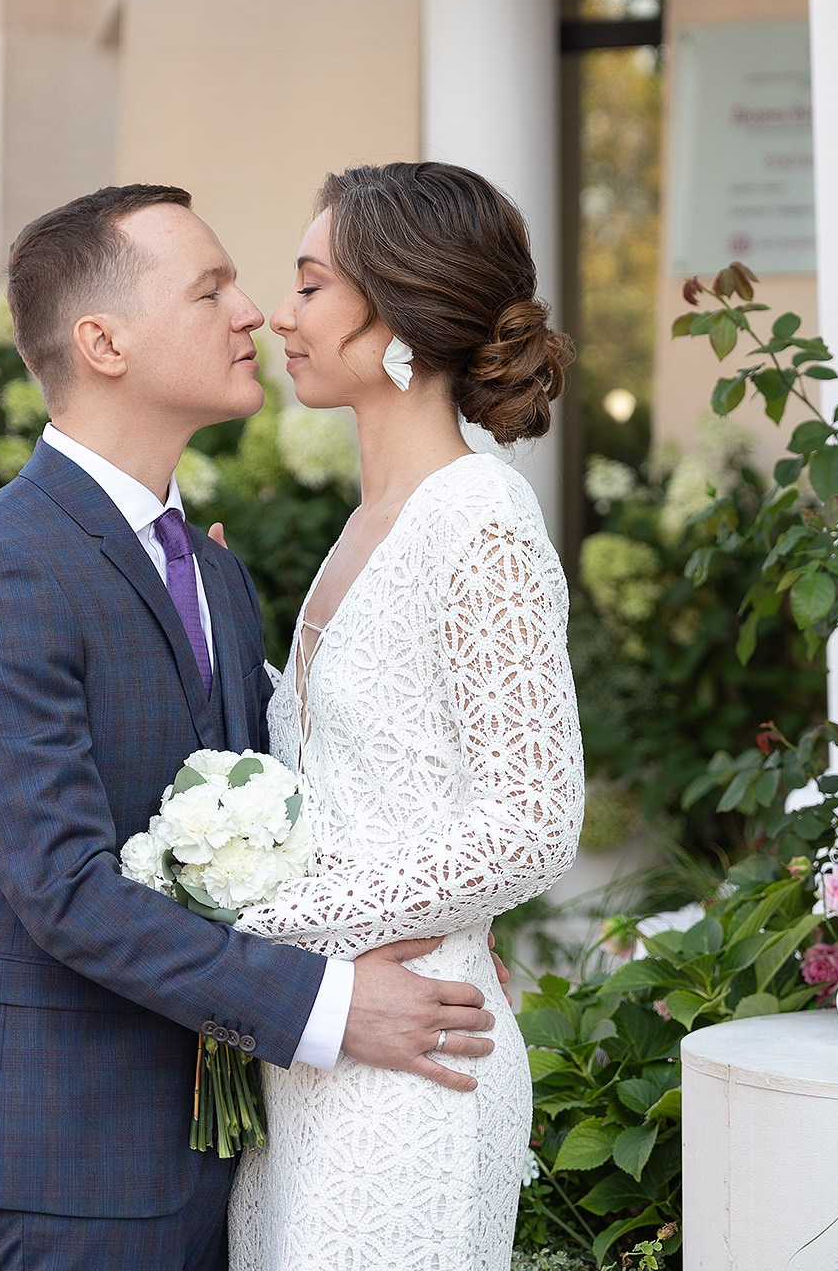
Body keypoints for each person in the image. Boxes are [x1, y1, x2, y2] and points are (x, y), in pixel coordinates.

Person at [0, 183, 498, 1270]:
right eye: (210, 288)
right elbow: (66, 892)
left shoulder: (212, 574)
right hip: (63, 1162)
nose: (252, 313)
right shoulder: (0, 570)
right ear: (103, 341)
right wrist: (331, 1003)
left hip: (228, 1155)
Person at [225, 162, 587, 1271]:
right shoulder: (364, 524)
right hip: (318, 1049)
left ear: (403, 315)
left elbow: (534, 817)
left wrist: (273, 934)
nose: (279, 316)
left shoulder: (478, 515)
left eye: (311, 284)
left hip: (417, 1061)